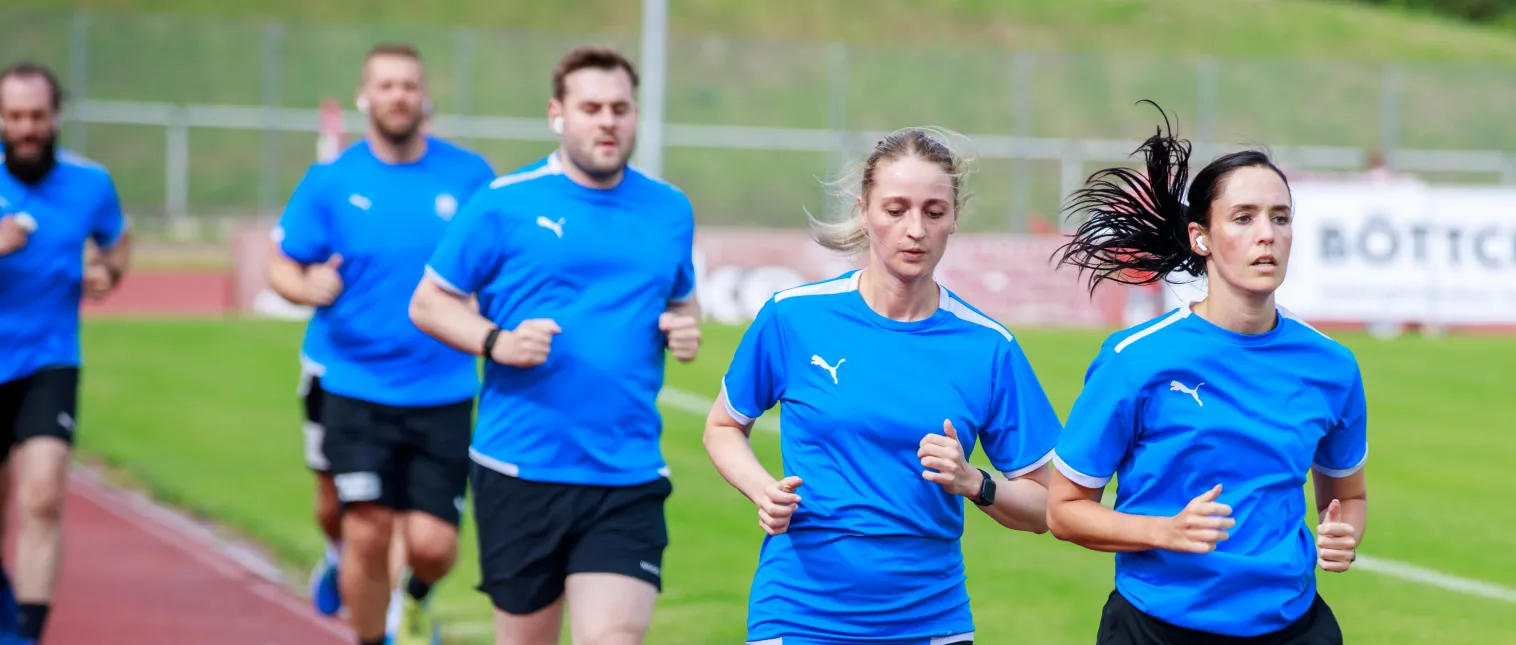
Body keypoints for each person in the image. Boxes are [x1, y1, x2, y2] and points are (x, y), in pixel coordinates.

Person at [703, 128, 1061, 645]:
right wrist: (762, 489)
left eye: (933, 212)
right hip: (798, 616)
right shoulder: (794, 317)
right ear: (864, 210)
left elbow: (1045, 507)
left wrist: (974, 482)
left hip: (930, 621)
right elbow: (722, 425)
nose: (914, 229)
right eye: (896, 210)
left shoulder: (989, 347)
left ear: (954, 218)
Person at [1046, 101, 1369, 645]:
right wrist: (1163, 531)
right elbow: (1065, 510)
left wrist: (1344, 535)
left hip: (1293, 626)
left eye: (1280, 217)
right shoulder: (1136, 359)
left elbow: (1349, 497)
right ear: (1202, 238)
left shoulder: (1332, 366)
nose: (1266, 234)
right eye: (1243, 218)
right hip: (1158, 628)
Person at [409, 46, 701, 645]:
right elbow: (428, 302)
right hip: (522, 467)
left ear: (636, 115)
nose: (607, 121)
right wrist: (497, 341)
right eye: (590, 107)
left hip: (628, 472)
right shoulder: (503, 202)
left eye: (620, 108)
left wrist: (684, 325)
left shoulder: (670, 209)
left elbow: (681, 299)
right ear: (557, 114)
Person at [267, 43, 496, 645]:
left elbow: (502, 262)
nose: (399, 96)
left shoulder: (470, 177)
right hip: (352, 383)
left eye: (409, 85)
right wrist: (304, 284)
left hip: (442, 386)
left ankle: (416, 599)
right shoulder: (331, 181)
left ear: (425, 97)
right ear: (365, 97)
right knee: (361, 530)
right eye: (386, 85)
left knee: (433, 546)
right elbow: (282, 266)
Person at [0, 60, 135, 645]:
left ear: (56, 117)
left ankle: (27, 634)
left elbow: (117, 241)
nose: (27, 128)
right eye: (14, 116)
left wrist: (108, 271)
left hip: (49, 358)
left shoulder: (89, 183)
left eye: (37, 116)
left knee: (44, 495)